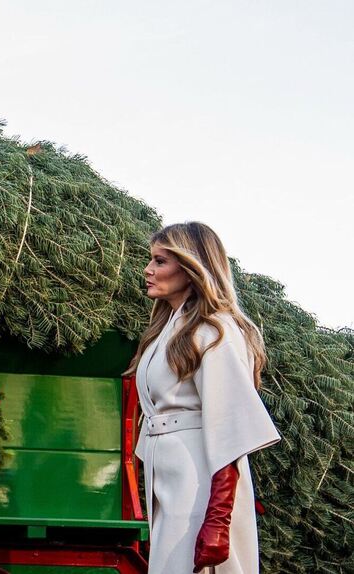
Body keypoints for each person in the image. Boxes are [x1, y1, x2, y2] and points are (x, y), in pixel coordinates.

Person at [126, 222, 281, 574]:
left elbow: (231, 428)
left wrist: (218, 520)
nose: (148, 270)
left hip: (200, 479)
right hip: (170, 476)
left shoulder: (215, 330)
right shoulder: (168, 331)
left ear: (191, 267)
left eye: (160, 261)